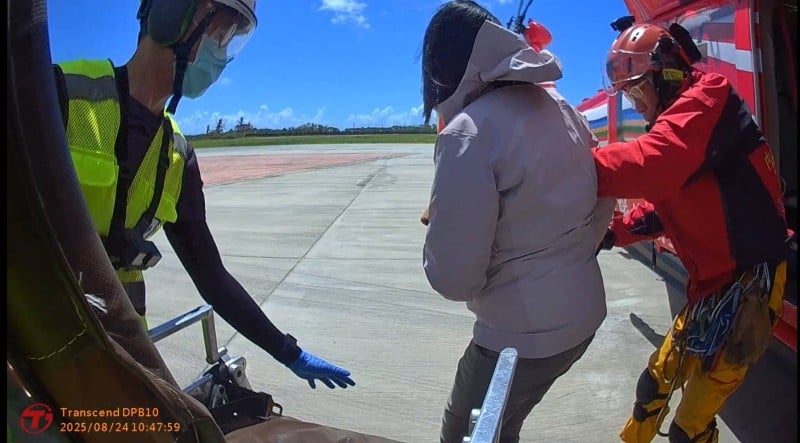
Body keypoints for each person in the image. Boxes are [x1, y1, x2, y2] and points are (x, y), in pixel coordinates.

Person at [51, 0, 354, 390]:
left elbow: (212, 278)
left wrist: (288, 352)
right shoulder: (60, 94)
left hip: (119, 351)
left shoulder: (177, 154)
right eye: (220, 34)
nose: (222, 55)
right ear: (171, 16)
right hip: (40, 340)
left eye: (232, 40)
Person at [419, 2, 615, 442]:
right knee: (508, 424)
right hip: (583, 317)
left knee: (464, 432)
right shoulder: (560, 105)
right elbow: (605, 194)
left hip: (520, 338)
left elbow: (453, 278)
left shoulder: (467, 132)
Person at [594, 22, 790, 442]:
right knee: (652, 387)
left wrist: (565, 167)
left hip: (750, 284)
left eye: (638, 90)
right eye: (628, 94)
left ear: (667, 74)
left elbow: (653, 166)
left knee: (689, 428)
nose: (636, 104)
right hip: (710, 288)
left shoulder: (708, 98)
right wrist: (613, 234)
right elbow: (665, 210)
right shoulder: (682, 122)